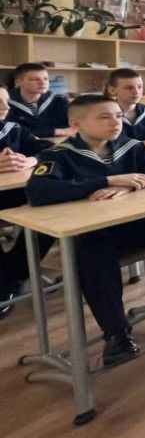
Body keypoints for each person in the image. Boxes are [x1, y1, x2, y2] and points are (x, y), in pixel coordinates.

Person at [24, 95, 145, 366]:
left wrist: (131, 184)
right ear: (76, 124)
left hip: (143, 222)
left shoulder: (129, 146)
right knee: (91, 252)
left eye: (118, 116)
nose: (115, 122)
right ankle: (117, 335)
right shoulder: (59, 155)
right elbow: (38, 191)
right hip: (101, 233)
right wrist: (105, 181)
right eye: (104, 117)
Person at [0, 85, 57, 319]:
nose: (5, 107)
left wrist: (30, 160)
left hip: (14, 194)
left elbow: (49, 149)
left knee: (53, 208)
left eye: (6, 101)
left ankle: (12, 275)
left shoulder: (13, 129)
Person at [7, 63, 72, 138]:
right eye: (35, 79)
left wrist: (43, 132)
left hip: (56, 143)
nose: (42, 83)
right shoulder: (5, 103)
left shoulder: (59, 100)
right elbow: (11, 132)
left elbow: (70, 129)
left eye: (45, 79)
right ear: (18, 82)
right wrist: (55, 131)